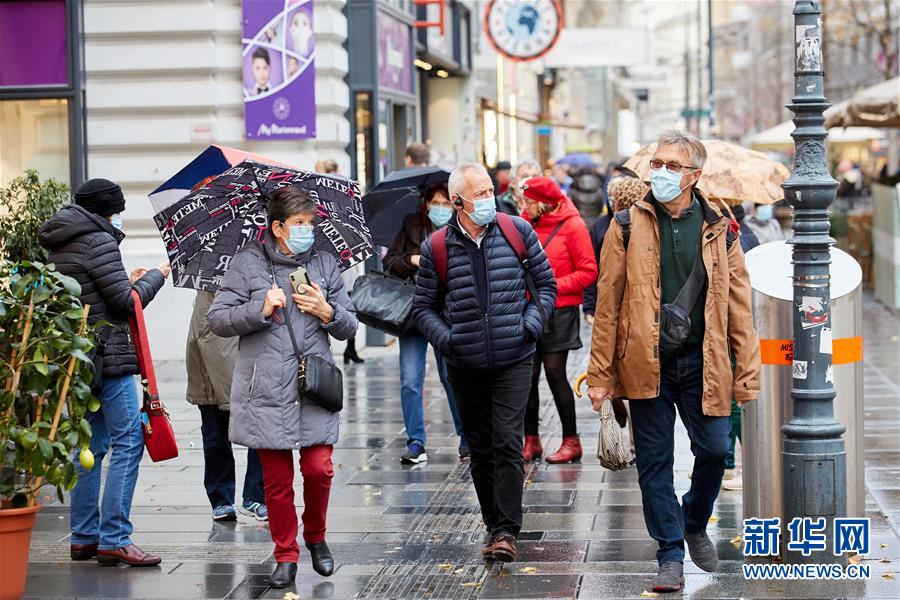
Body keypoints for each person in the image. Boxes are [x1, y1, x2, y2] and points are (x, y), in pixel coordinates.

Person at [585, 131, 760, 593]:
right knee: (655, 464)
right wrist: (600, 375)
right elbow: (608, 304)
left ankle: (694, 519)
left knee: (716, 451)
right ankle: (669, 554)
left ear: (694, 176)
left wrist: (748, 373)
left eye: (672, 166)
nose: (661, 172)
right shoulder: (624, 225)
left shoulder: (722, 232)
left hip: (706, 364)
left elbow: (740, 309)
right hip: (645, 363)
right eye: (657, 163)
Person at [208, 187, 358, 588]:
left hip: (314, 386)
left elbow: (350, 324)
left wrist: (327, 310)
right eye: (299, 224)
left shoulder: (325, 264)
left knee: (319, 468)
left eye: (311, 224)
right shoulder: (247, 264)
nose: (307, 231)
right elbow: (218, 319)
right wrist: (259, 309)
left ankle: (316, 537)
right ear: (277, 227)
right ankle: (286, 553)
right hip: (266, 389)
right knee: (276, 483)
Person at [413, 164, 556, 563]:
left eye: (491, 190)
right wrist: (449, 340)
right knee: (481, 448)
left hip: (514, 357)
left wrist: (530, 325)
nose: (489, 199)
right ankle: (493, 524)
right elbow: (423, 308)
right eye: (480, 193)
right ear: (457, 201)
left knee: (507, 442)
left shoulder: (517, 231)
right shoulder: (437, 247)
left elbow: (547, 285)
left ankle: (508, 530)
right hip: (466, 363)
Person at [38, 178, 170, 566]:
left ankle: (84, 537)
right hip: (107, 356)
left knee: (90, 446)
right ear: (107, 210)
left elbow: (90, 294)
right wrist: (155, 277)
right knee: (129, 440)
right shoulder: (99, 240)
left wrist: (123, 282)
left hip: (78, 359)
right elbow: (124, 304)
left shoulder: (61, 238)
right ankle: (115, 537)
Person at [383, 184, 467, 462]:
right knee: (410, 380)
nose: (440, 208)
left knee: (452, 378)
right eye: (435, 202)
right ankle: (416, 441)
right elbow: (391, 262)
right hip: (414, 313)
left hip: (448, 314)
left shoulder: (460, 229)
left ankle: (467, 438)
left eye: (445, 202)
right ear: (426, 204)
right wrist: (413, 259)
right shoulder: (411, 226)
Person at [520, 177, 597, 463]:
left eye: (529, 201)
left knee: (555, 374)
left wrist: (551, 285)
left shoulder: (573, 225)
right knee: (527, 375)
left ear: (544, 202)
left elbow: (589, 271)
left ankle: (571, 440)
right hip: (528, 310)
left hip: (560, 310)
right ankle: (531, 440)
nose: (525, 206)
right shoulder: (525, 223)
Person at [186, 290, 267, 522]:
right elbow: (204, 330)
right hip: (213, 349)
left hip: (254, 346)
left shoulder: (263, 264)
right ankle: (222, 498)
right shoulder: (209, 273)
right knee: (215, 429)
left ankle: (256, 495)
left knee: (261, 422)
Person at [315, 158, 364, 364]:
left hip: (343, 264)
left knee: (345, 308)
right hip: (335, 265)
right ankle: (348, 350)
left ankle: (350, 349)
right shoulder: (329, 196)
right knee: (341, 305)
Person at [583, 174, 647, 323]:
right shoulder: (600, 227)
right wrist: (590, 306)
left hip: (640, 305)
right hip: (610, 303)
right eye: (612, 196)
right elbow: (593, 268)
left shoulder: (651, 228)